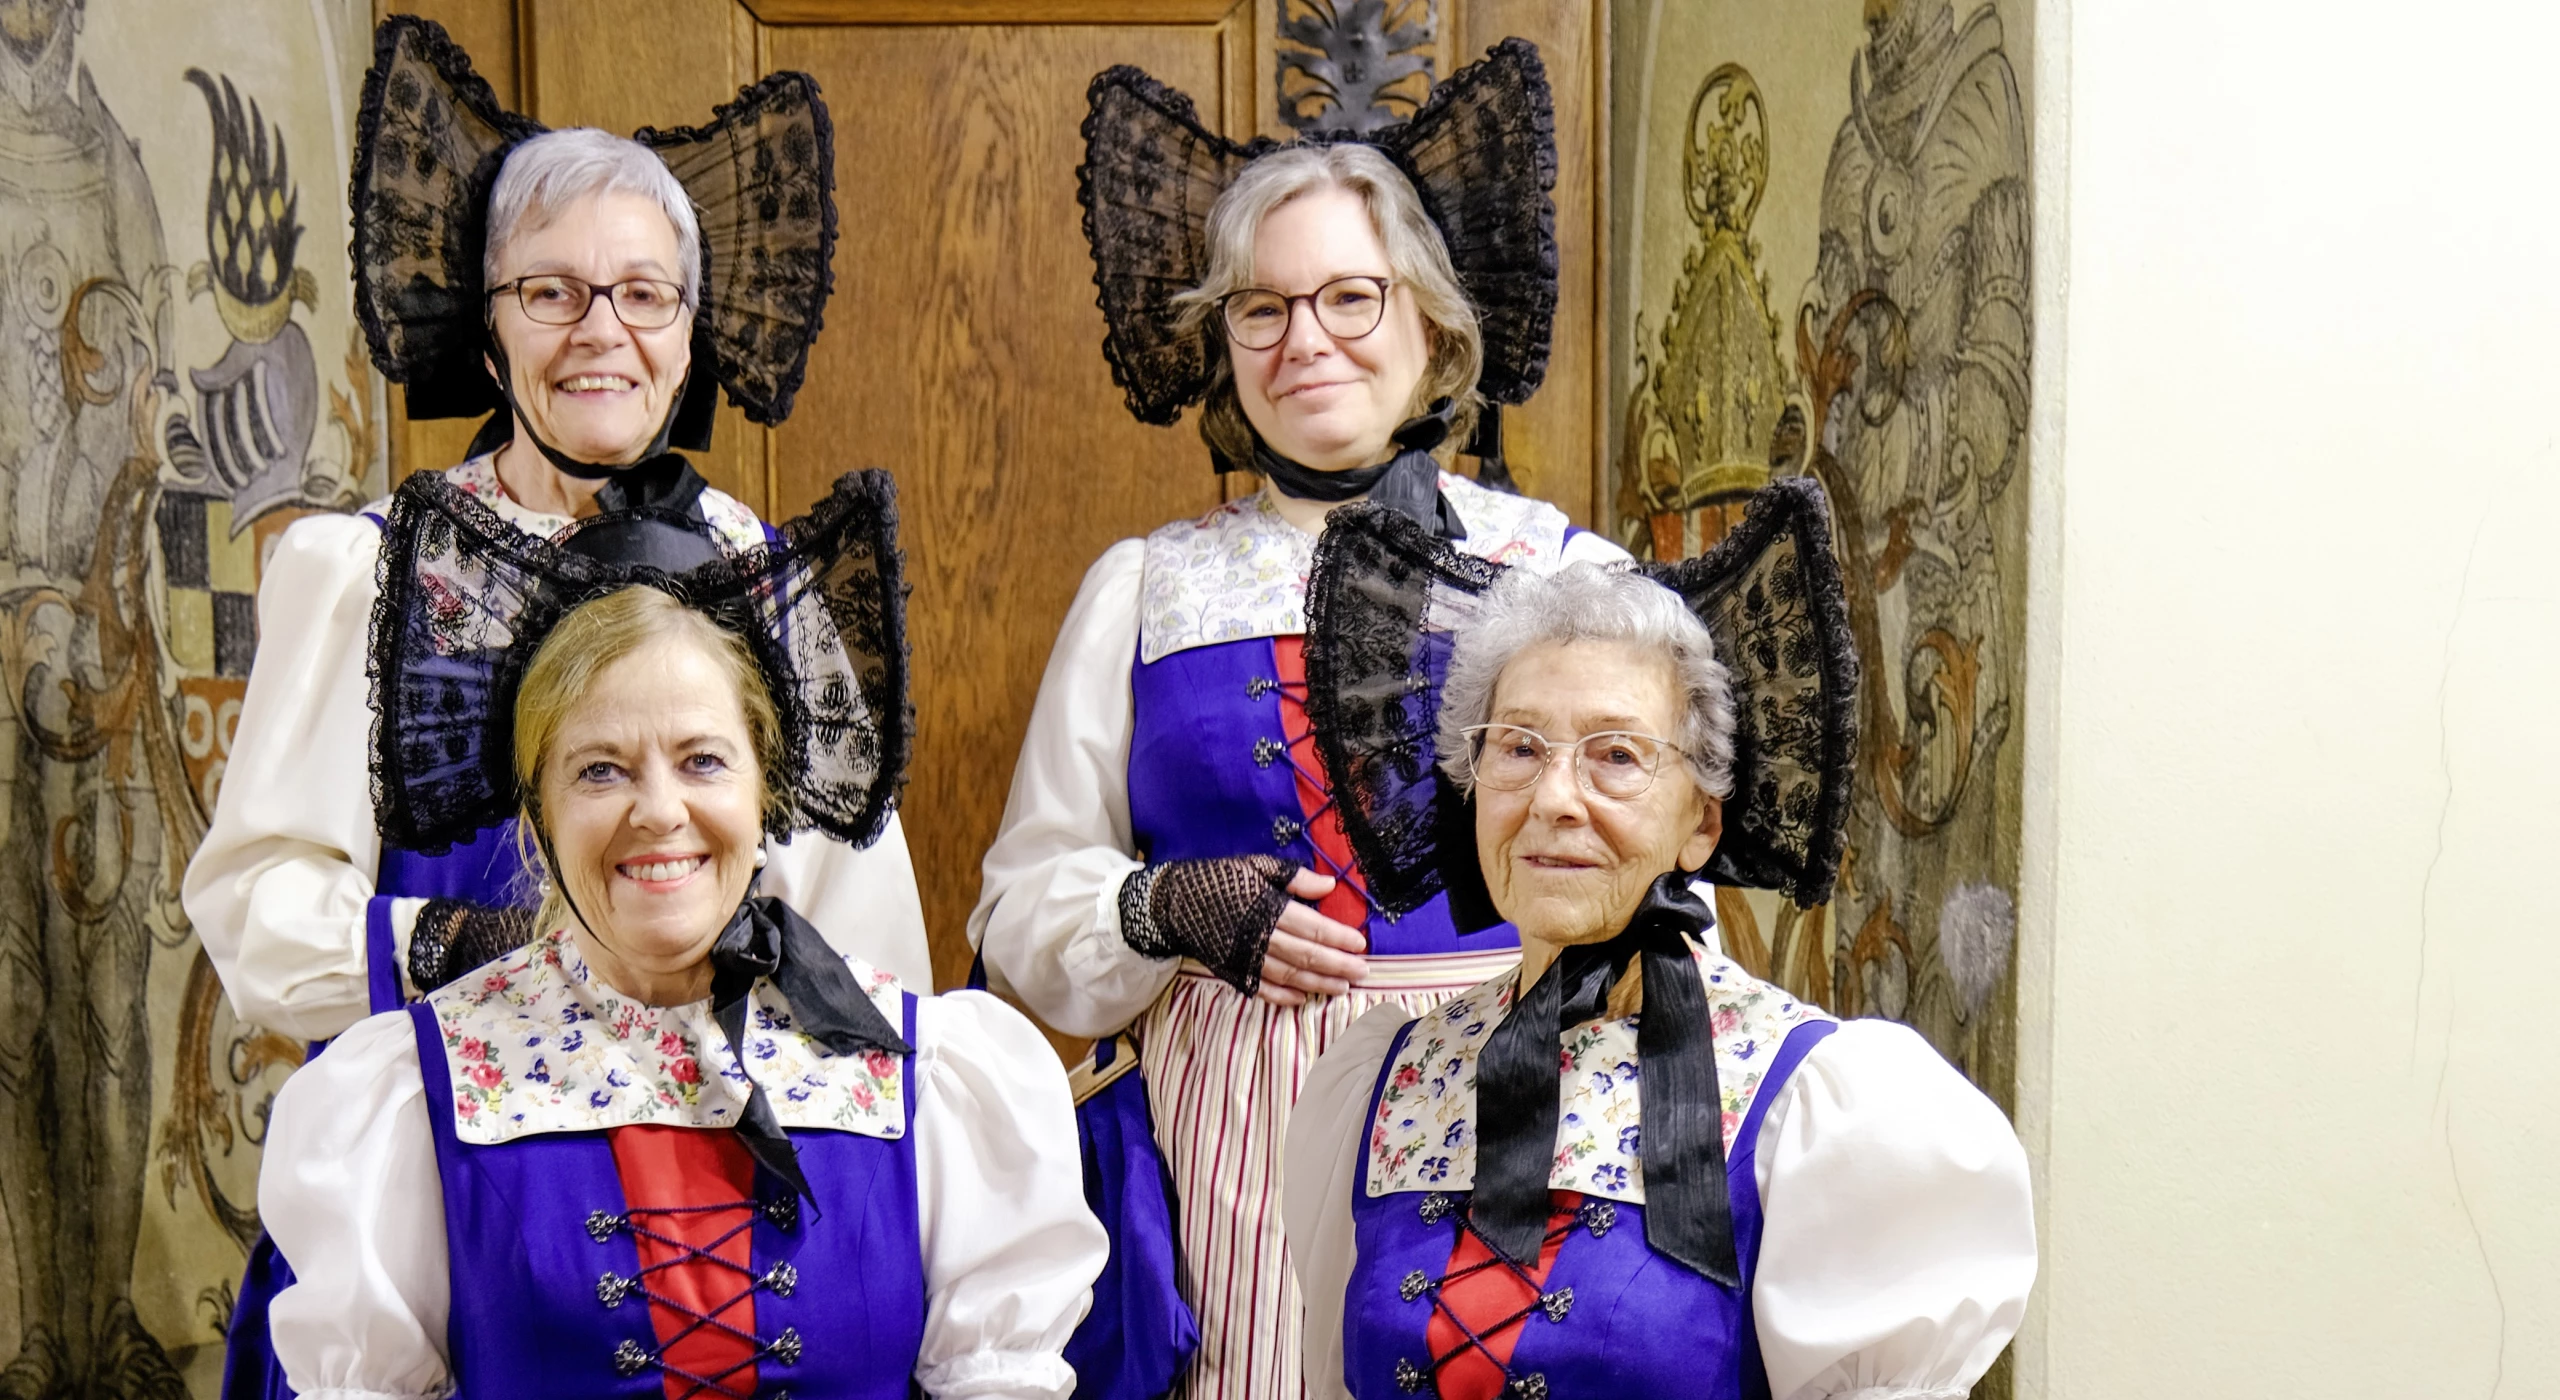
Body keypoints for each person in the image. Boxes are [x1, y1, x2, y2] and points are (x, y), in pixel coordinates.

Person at [972, 40, 1621, 1400]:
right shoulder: (1143, 590)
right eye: (1262, 311)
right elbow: (1022, 917)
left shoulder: (1562, 576)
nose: (1304, 339)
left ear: (1433, 328)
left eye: (1349, 298)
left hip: (1506, 1098)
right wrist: (1159, 910)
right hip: (1232, 1136)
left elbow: (1661, 884)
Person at [251, 466, 1104, 1397]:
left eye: (703, 760)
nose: (660, 812)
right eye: (600, 770)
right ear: (536, 815)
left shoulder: (933, 1084)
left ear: (765, 791)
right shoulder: (417, 1098)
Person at [182, 15, 930, 1054]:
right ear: (489, 339)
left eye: (642, 293)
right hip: (442, 1153)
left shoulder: (762, 578)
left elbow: (869, 943)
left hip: (716, 1152)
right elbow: (259, 915)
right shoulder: (370, 572)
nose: (600, 330)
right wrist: (489, 949)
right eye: (550, 291)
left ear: (685, 338)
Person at [1280, 485, 2036, 1400]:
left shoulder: (1813, 1109)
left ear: (1701, 827)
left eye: (1617, 755)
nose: (1556, 798)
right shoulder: (1383, 1083)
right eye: (1517, 747)